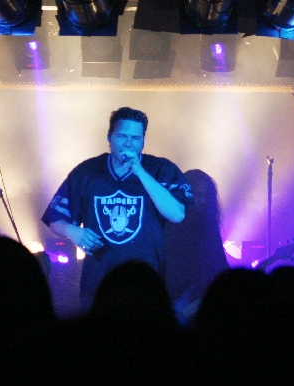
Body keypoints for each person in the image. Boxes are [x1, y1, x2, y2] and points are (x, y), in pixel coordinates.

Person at [41, 107, 194, 311]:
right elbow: (54, 218)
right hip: (98, 284)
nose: (128, 143)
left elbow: (177, 214)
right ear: (109, 137)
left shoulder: (160, 169)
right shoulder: (87, 172)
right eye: (122, 136)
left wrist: (140, 172)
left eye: (135, 138)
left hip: (147, 283)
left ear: (143, 141)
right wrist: (72, 231)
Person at [164, 169, 230, 325]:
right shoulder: (168, 224)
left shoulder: (209, 229)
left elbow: (220, 266)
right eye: (197, 195)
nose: (202, 201)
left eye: (206, 196)